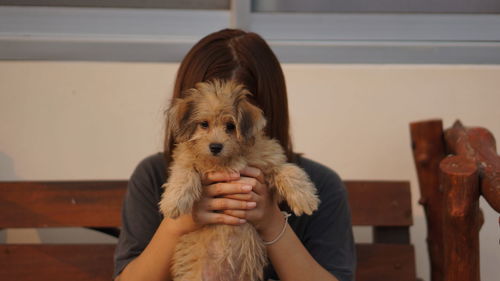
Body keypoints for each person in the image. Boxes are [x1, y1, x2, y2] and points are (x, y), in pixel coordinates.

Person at [113, 29, 355, 281]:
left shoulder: (322, 183)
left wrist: (271, 223)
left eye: (230, 126)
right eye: (203, 124)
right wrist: (178, 224)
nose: (217, 139)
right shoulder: (152, 175)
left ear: (258, 120)